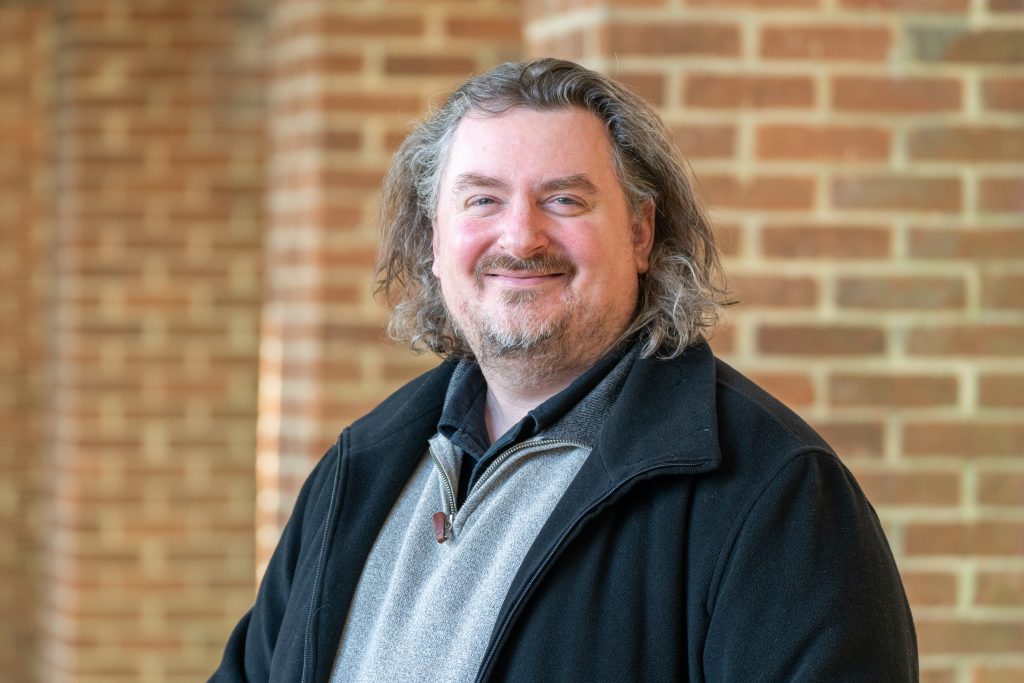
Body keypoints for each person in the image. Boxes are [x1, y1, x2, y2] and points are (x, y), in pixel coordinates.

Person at [212, 58, 918, 682]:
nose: (520, 236)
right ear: (434, 237)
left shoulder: (775, 495)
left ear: (641, 232)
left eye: (564, 199)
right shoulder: (358, 471)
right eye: (482, 198)